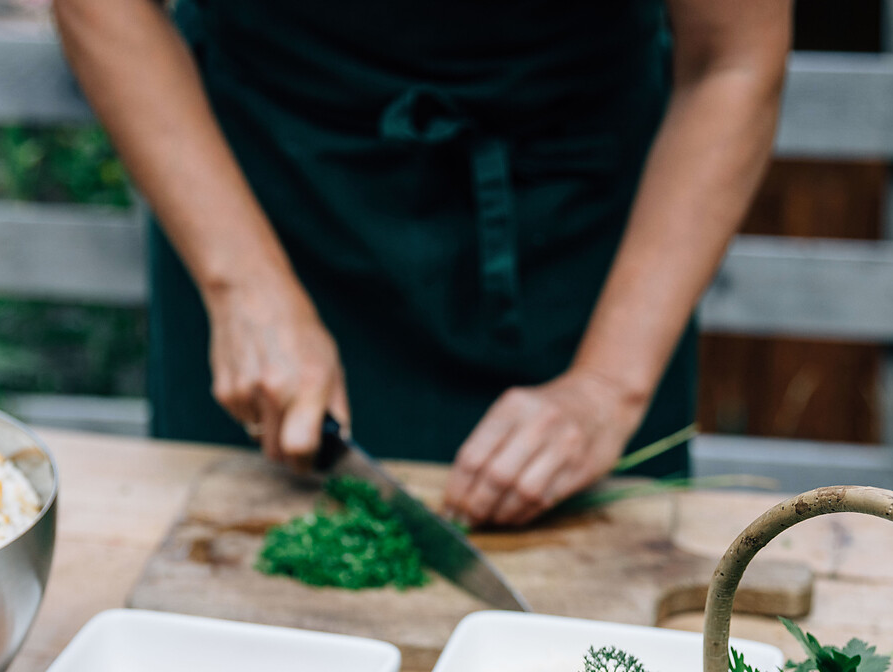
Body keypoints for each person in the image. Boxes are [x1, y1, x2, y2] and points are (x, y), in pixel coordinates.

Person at [54, 0, 790, 527]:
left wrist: (606, 385)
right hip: (253, 191)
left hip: (578, 228)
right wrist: (240, 282)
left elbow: (733, 57)